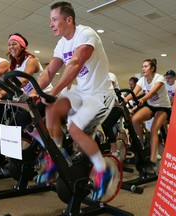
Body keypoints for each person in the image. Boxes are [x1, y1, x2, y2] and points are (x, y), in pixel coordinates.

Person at [34, 2, 115, 200]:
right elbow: (49, 71)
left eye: (54, 19)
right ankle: (57, 157)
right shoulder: (61, 44)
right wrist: (33, 91)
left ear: (68, 19)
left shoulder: (86, 35)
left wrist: (55, 90)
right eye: (50, 20)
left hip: (100, 94)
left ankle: (103, 170)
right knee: (51, 110)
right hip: (82, 91)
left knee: (74, 129)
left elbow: (76, 63)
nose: (51, 24)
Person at [0, 33, 54, 184]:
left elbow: (23, 80)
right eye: (9, 44)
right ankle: (21, 162)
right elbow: (9, 84)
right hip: (28, 100)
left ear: (22, 46)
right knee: (15, 123)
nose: (11, 47)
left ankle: (33, 162)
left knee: (19, 122)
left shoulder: (31, 60)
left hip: (44, 97)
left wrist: (1, 93)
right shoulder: (15, 65)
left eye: (14, 44)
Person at [124, 58, 171, 172]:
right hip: (151, 106)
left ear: (152, 68)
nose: (143, 68)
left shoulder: (159, 78)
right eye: (142, 66)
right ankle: (143, 140)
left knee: (154, 129)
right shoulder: (142, 80)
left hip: (163, 107)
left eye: (145, 66)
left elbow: (152, 92)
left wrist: (143, 99)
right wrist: (124, 100)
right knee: (134, 119)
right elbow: (133, 93)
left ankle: (153, 160)